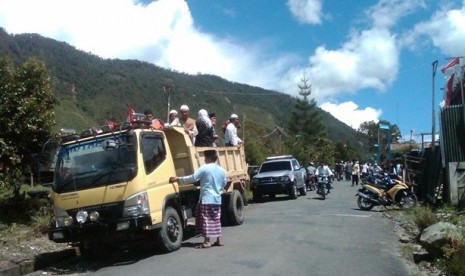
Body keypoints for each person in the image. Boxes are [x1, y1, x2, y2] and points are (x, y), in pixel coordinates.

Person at [168, 150, 226, 249]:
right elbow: (223, 183)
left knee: (206, 220)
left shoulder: (204, 168)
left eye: (205, 157)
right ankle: (218, 240)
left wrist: (178, 179)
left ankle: (207, 242)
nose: (204, 159)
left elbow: (193, 178)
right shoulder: (221, 170)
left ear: (209, 158)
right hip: (217, 199)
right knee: (216, 219)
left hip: (207, 198)